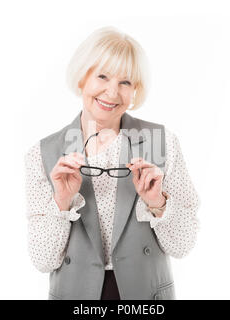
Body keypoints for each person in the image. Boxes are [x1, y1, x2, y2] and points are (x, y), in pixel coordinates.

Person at [24, 26, 200, 300]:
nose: (112, 92)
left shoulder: (160, 142)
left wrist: (158, 202)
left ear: (135, 90)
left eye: (125, 82)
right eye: (102, 76)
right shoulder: (43, 153)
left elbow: (184, 245)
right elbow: (42, 260)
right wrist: (61, 201)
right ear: (82, 77)